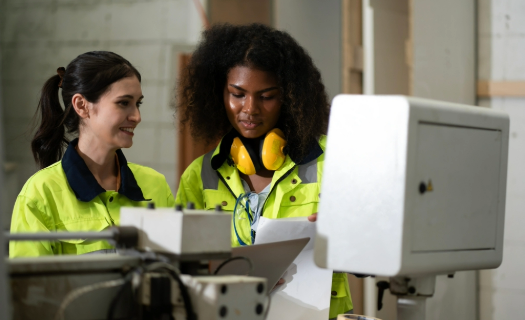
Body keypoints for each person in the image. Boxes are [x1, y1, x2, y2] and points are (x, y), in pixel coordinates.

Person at [175, 24, 352, 319]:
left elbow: (372, 254)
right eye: (237, 94)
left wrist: (347, 236)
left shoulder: (333, 160)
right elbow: (179, 269)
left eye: (266, 96)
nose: (250, 108)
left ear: (289, 97)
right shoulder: (200, 174)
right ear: (220, 93)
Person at [10, 51, 175, 257]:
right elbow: (30, 287)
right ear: (81, 105)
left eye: (137, 103)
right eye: (124, 103)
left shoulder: (155, 186)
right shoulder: (41, 194)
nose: (137, 117)